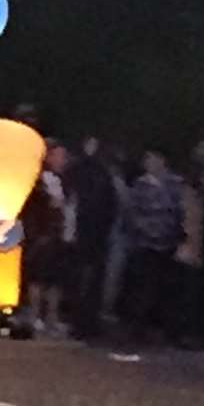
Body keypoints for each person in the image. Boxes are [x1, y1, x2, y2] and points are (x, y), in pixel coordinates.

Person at [61, 136, 116, 339]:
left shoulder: (83, 172)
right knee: (88, 280)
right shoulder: (100, 173)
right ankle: (85, 322)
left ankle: (82, 321)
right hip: (92, 234)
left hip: (85, 234)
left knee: (82, 279)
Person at [125, 148, 183, 336]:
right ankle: (138, 327)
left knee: (168, 287)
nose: (149, 163)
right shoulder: (140, 185)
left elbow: (180, 210)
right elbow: (132, 213)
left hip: (169, 242)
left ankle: (167, 328)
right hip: (145, 243)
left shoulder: (175, 183)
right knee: (143, 287)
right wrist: (146, 227)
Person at [19, 142, 70, 335]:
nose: (62, 160)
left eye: (63, 157)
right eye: (57, 156)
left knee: (55, 280)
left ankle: (52, 317)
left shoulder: (65, 182)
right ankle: (34, 316)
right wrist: (36, 236)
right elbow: (31, 212)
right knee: (37, 279)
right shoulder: (38, 182)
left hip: (58, 237)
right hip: (41, 237)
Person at [173, 163, 204, 346]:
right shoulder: (191, 199)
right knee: (188, 294)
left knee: (185, 293)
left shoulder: (189, 197)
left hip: (186, 251)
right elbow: (191, 227)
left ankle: (180, 331)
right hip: (189, 251)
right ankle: (183, 332)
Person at [99, 147, 131, 325]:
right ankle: (105, 309)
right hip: (115, 234)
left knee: (110, 274)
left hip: (110, 234)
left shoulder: (111, 182)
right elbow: (127, 211)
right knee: (112, 274)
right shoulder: (117, 184)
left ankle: (104, 308)